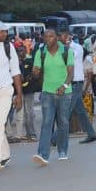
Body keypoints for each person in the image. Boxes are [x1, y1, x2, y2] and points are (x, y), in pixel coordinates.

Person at [32, 29, 75, 166]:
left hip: (64, 93)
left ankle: (63, 150)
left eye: (50, 36)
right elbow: (36, 74)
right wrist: (35, 73)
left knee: (63, 122)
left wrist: (64, 86)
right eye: (45, 36)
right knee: (46, 123)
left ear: (56, 38)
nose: (47, 39)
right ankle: (43, 154)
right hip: (47, 92)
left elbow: (70, 74)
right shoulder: (41, 52)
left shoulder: (66, 51)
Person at [0, 21, 23, 171]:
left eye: (6, 31)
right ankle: (4, 154)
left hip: (4, 90)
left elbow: (16, 71)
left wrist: (19, 95)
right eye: (1, 31)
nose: (5, 34)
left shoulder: (8, 47)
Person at [60, 31, 96, 144]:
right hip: (69, 82)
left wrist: (66, 47)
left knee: (67, 111)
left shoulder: (78, 48)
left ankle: (54, 139)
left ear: (69, 37)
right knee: (81, 111)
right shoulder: (62, 47)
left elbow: (69, 57)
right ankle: (91, 134)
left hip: (76, 82)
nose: (60, 38)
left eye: (63, 36)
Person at [17, 45, 38, 141]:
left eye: (22, 50)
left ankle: (33, 134)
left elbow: (34, 74)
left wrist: (27, 78)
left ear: (25, 51)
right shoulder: (17, 63)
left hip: (29, 90)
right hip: (21, 90)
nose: (20, 52)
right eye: (19, 51)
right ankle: (28, 133)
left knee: (29, 112)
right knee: (24, 113)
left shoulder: (30, 61)